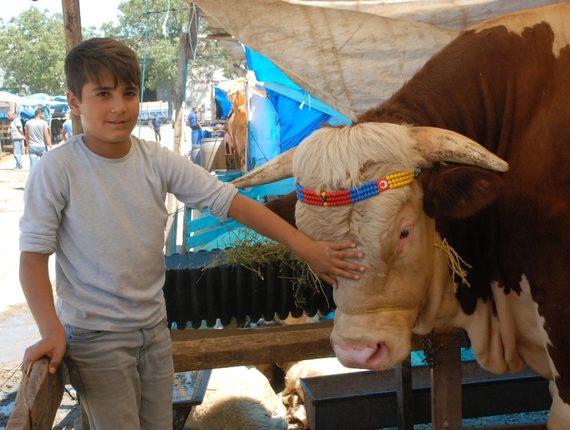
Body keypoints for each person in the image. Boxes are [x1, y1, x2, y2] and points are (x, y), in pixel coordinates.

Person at [19, 38, 365, 430]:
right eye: (103, 94)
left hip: (153, 328)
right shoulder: (57, 169)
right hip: (96, 338)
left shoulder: (155, 159)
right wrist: (50, 330)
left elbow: (231, 202)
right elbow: (32, 257)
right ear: (75, 102)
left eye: (128, 93)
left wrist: (308, 249)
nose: (118, 106)